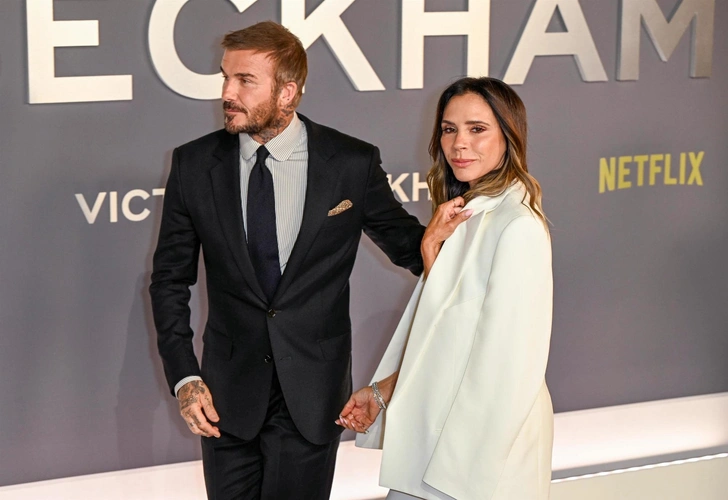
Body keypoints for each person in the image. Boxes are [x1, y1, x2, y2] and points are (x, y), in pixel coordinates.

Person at [149, 21, 425, 499]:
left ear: (287, 93)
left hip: (312, 397)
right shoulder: (194, 164)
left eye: (245, 80)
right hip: (226, 400)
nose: (227, 93)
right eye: (225, 78)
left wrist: (470, 240)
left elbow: (411, 249)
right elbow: (170, 280)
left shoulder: (350, 163)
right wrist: (185, 377)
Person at [337, 77, 554, 499]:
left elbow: (507, 364)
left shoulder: (517, 225)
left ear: (509, 137)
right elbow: (449, 336)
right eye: (449, 129)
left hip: (472, 461)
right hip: (438, 446)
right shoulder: (468, 216)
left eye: (477, 129)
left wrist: (459, 472)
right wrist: (384, 392)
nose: (459, 144)